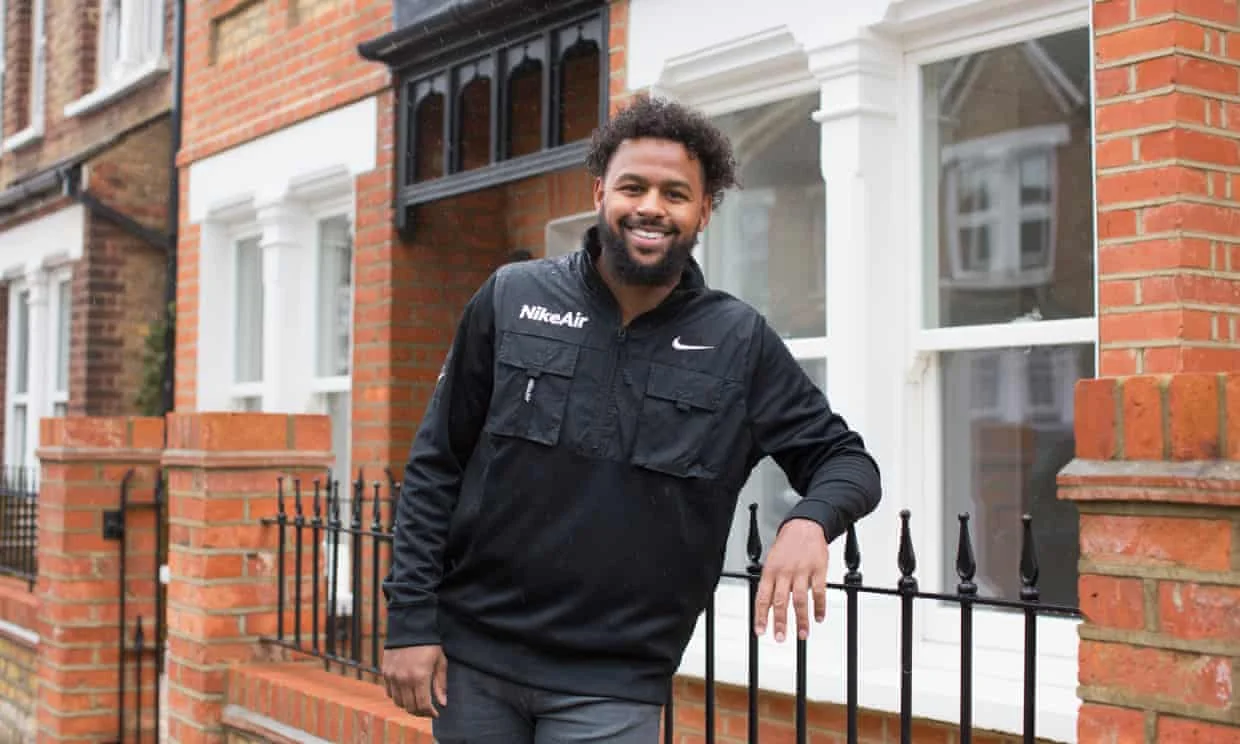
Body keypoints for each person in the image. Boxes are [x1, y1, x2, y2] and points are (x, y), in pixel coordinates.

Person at [381, 95, 882, 743]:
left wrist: (810, 522)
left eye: (676, 193)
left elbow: (846, 461)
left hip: (612, 686)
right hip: (475, 665)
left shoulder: (738, 341)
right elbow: (435, 467)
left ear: (704, 210)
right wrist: (411, 622)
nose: (652, 206)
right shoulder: (511, 299)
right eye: (633, 186)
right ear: (600, 193)